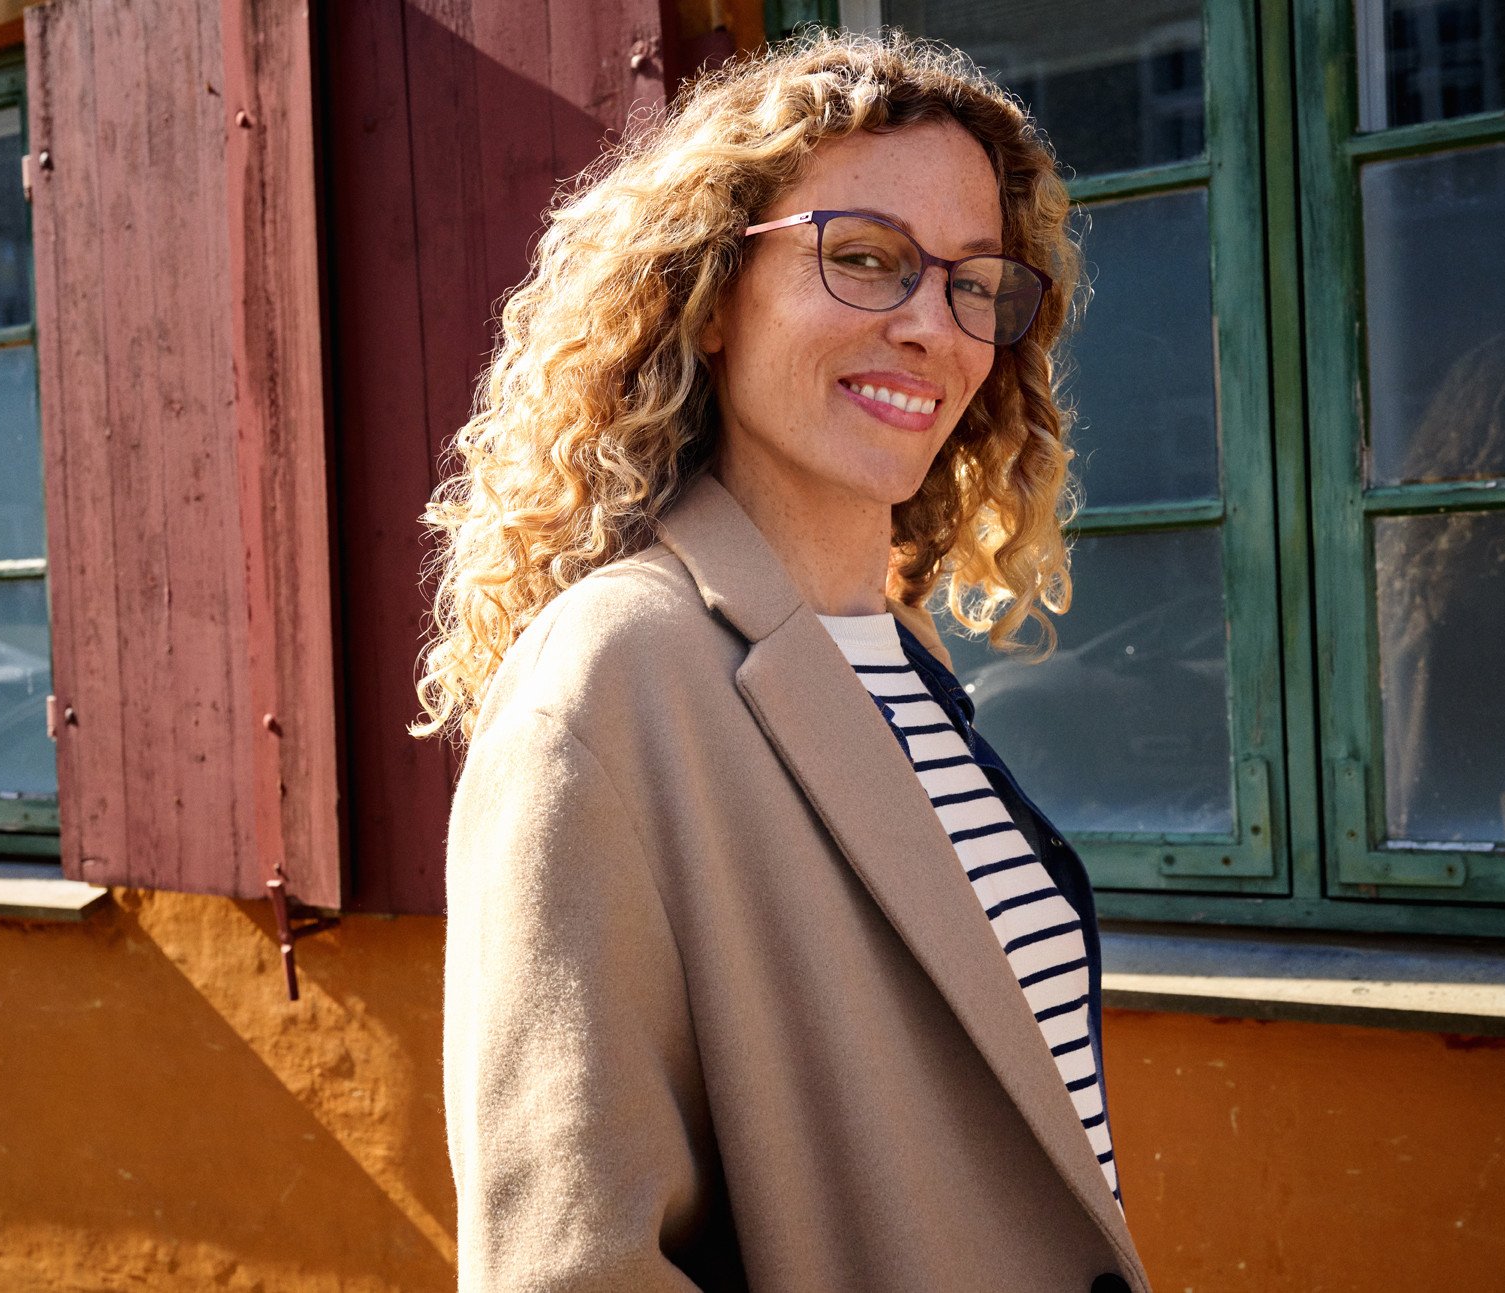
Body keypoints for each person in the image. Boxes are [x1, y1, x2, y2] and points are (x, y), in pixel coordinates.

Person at [417, 31, 1149, 1293]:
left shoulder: (897, 644)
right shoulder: (606, 680)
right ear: (705, 297)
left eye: (976, 282)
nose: (933, 326)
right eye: (863, 259)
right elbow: (573, 1270)